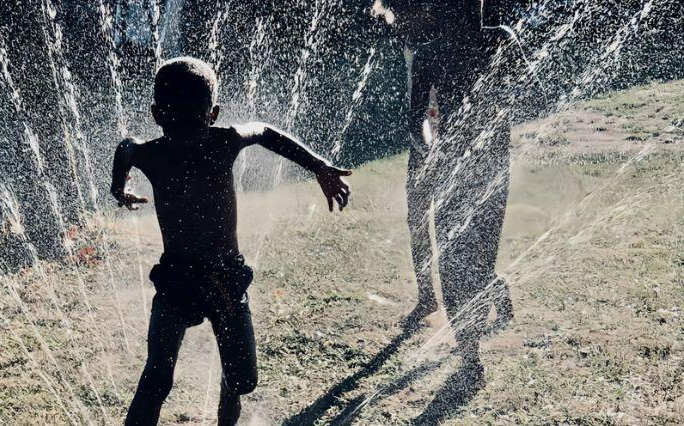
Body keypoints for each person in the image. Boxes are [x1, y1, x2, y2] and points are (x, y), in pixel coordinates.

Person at [111, 57, 352, 426]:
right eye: (176, 123)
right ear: (158, 115)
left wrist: (318, 165)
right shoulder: (152, 154)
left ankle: (227, 403)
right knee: (156, 380)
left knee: (242, 379)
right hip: (176, 280)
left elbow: (267, 132)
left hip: (225, 277)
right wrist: (119, 186)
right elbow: (125, 147)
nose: (188, 137)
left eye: (195, 124)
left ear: (213, 115)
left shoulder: (224, 143)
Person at [375, 0, 521, 379]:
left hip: (492, 164)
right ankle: (470, 356)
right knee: (455, 260)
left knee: (479, 256)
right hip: (449, 164)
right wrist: (431, 148)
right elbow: (415, 118)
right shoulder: (429, 53)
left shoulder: (500, 40)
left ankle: (492, 288)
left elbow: (528, 90)